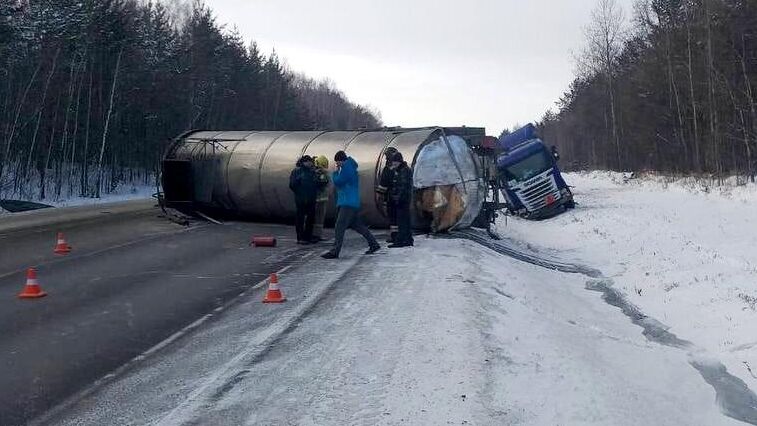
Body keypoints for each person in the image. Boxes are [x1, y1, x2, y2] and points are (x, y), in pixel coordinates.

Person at [322, 151, 380, 259]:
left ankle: (335, 251)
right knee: (357, 226)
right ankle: (374, 244)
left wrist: (334, 173)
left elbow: (339, 182)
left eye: (337, 162)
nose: (337, 164)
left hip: (347, 203)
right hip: (350, 202)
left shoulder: (347, 169)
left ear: (341, 160)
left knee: (339, 226)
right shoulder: (349, 167)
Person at [289, 155, 322, 244]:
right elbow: (292, 185)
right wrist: (299, 191)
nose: (311, 163)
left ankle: (308, 236)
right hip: (301, 199)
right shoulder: (297, 171)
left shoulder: (312, 172)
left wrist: (321, 180)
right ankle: (300, 237)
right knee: (300, 218)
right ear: (304, 162)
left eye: (311, 162)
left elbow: (316, 184)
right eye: (309, 161)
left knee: (310, 218)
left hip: (311, 198)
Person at [387, 151, 414, 248]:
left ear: (399, 162)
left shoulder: (403, 171)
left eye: (395, 162)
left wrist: (397, 198)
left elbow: (403, 186)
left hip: (402, 200)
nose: (393, 164)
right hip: (403, 199)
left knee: (401, 221)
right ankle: (408, 240)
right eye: (393, 162)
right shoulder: (401, 170)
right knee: (405, 220)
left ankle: (400, 241)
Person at [376, 147, 399, 243]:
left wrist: (379, 195)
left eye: (387, 156)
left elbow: (383, 185)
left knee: (393, 218)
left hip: (390, 198)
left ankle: (395, 237)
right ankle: (398, 235)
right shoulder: (401, 168)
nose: (386, 158)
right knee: (397, 217)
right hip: (399, 197)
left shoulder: (388, 169)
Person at [312, 155, 331, 241]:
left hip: (323, 199)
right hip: (317, 199)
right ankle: (313, 235)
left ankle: (318, 235)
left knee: (320, 219)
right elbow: (323, 183)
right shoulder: (317, 173)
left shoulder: (324, 173)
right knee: (315, 218)